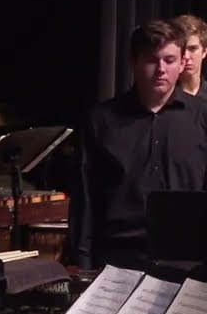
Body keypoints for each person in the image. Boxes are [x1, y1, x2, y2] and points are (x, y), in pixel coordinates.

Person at [70, 20, 207, 269]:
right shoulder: (101, 120)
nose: (161, 69)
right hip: (117, 259)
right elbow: (85, 200)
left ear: (182, 63)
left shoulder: (202, 117)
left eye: (169, 60)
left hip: (189, 261)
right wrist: (83, 264)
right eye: (151, 60)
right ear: (133, 63)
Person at [171, 14, 207, 97]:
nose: (186, 56)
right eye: (182, 49)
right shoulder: (161, 97)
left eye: (193, 49)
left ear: (204, 51)